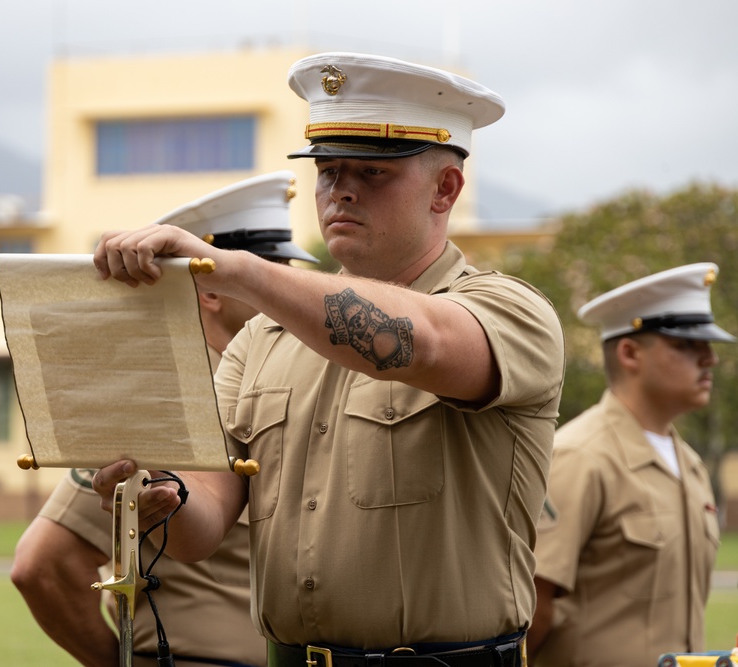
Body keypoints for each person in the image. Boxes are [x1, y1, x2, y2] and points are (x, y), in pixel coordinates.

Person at [91, 52, 565, 666]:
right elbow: (203, 526)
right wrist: (158, 496)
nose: (341, 189)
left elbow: (416, 341)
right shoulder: (262, 338)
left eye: (373, 172)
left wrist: (231, 268)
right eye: (328, 170)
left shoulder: (507, 310)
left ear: (445, 189)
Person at [10, 171, 319, 667]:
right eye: (263, 270)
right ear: (211, 290)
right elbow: (42, 565)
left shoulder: (276, 383)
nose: (283, 286)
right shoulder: (156, 401)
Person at [528, 263, 734, 667]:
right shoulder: (580, 456)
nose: (709, 359)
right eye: (687, 345)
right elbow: (533, 606)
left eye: (707, 346)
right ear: (629, 353)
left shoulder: (689, 466)